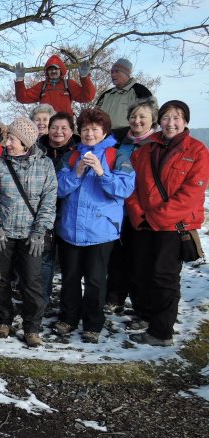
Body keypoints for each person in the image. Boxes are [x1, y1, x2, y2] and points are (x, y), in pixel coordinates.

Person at [126, 100, 209, 346]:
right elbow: (131, 186)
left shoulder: (197, 151)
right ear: (158, 121)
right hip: (144, 224)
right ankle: (146, 315)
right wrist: (138, 214)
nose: (171, 123)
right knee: (140, 272)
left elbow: (192, 194)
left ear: (185, 122)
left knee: (164, 278)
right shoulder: (145, 150)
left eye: (177, 118)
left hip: (173, 227)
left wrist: (155, 217)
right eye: (166, 118)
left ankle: (161, 332)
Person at [53, 108, 135, 344]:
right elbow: (57, 190)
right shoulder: (70, 156)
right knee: (69, 278)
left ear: (104, 131)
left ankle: (92, 323)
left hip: (101, 231)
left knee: (96, 281)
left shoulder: (116, 156)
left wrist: (101, 172)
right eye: (86, 129)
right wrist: (77, 173)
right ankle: (68, 318)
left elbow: (124, 190)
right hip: (70, 230)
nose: (89, 134)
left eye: (95, 129)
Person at [0, 117, 57, 347]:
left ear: (26, 143)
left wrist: (39, 231)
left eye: (13, 139)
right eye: (8, 138)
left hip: (32, 235)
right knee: (1, 279)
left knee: (32, 282)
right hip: (4, 233)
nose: (7, 143)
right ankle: (4, 319)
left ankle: (32, 327)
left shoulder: (44, 166)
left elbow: (49, 201)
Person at [104, 99, 159, 314]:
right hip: (116, 208)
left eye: (142, 117)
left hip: (144, 209)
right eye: (133, 116)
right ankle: (114, 297)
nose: (137, 121)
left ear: (152, 120)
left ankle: (141, 304)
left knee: (141, 260)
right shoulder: (117, 139)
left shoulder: (157, 143)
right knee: (116, 257)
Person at [36, 112, 80, 302]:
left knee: (69, 263)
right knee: (44, 260)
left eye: (64, 128)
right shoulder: (36, 148)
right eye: (54, 127)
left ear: (72, 131)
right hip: (41, 211)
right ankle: (43, 299)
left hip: (69, 211)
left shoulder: (79, 151)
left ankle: (69, 303)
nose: (58, 132)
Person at [14, 55, 95, 115]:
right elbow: (22, 98)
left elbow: (87, 97)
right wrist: (19, 79)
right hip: (46, 126)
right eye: (50, 69)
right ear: (46, 72)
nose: (53, 71)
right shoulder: (42, 86)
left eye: (56, 69)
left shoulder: (68, 84)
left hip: (64, 126)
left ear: (61, 70)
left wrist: (85, 78)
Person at [96, 58, 155, 130]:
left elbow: (153, 116)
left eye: (117, 71)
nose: (113, 75)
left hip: (128, 138)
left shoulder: (140, 91)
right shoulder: (106, 94)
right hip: (103, 136)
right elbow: (94, 116)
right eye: (112, 72)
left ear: (126, 73)